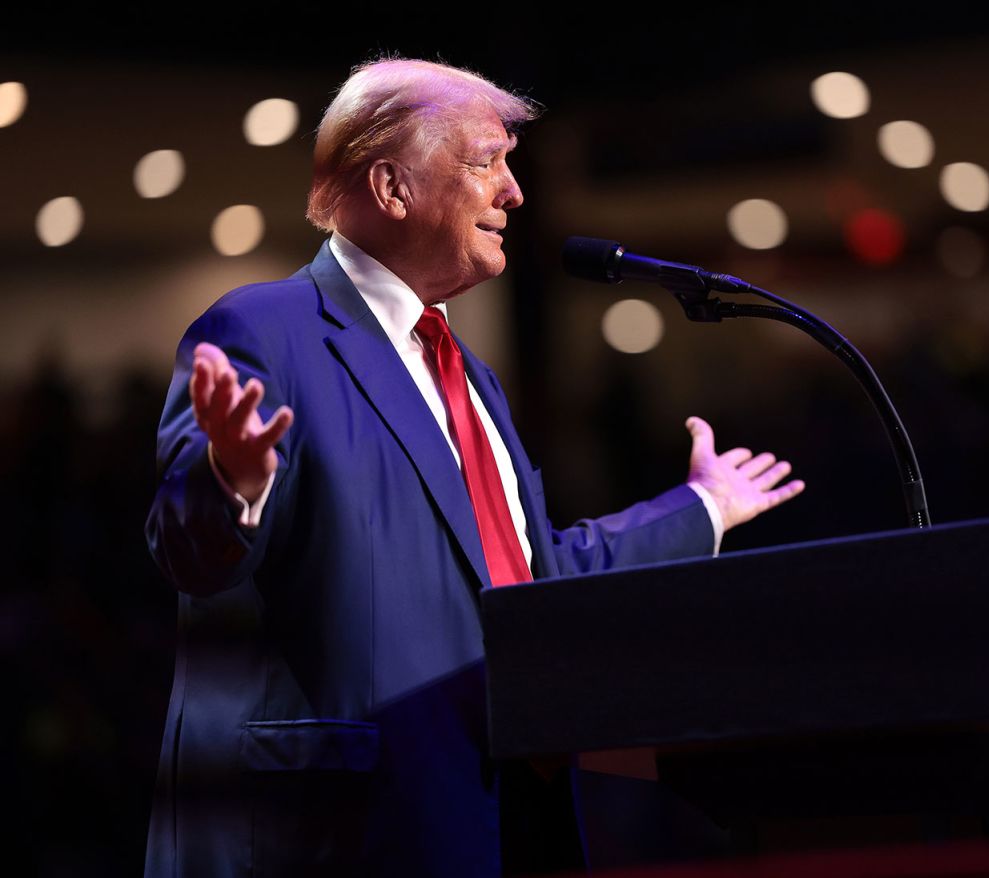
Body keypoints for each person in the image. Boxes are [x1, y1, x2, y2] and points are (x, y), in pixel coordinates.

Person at [144, 58, 803, 878]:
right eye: (486, 161)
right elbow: (187, 551)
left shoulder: (470, 377)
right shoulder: (264, 329)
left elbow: (533, 577)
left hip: (509, 817)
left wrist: (702, 505)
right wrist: (232, 480)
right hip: (345, 832)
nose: (514, 192)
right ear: (392, 186)